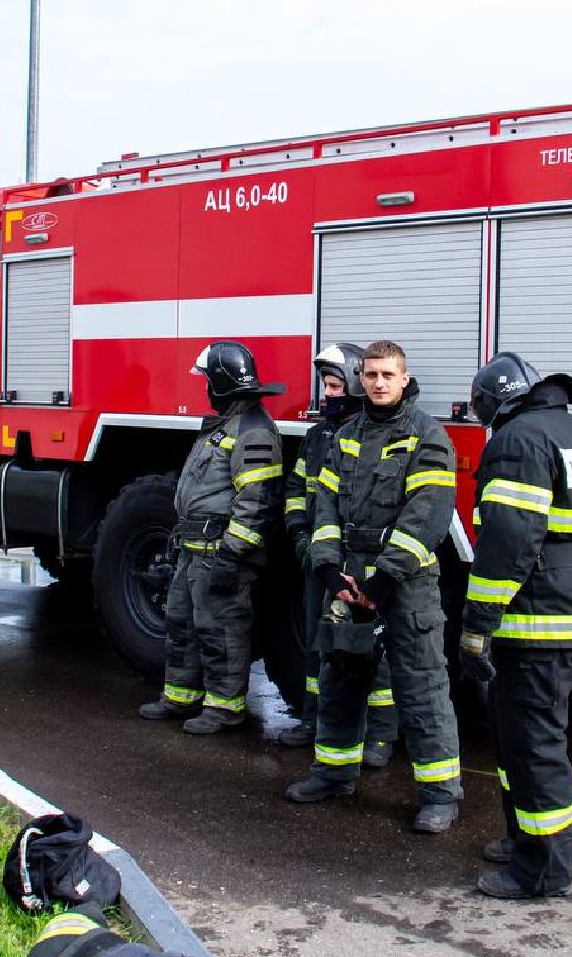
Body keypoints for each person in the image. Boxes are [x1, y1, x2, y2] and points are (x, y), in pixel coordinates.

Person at [458, 351, 572, 899]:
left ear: (495, 402)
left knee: (534, 743)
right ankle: (524, 841)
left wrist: (476, 624)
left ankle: (541, 870)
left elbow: (508, 542)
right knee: (521, 737)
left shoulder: (516, 442)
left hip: (532, 622)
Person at [285, 340, 462, 833]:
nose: (379, 383)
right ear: (361, 378)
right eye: (371, 375)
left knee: (422, 685)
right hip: (347, 576)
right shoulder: (345, 435)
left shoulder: (427, 436)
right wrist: (326, 569)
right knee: (339, 675)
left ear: (404, 380)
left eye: (388, 375)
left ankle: (440, 795)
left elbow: (427, 514)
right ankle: (333, 774)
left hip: (406, 581)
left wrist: (384, 579)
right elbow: (324, 505)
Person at [139, 341, 283, 736]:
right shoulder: (226, 426)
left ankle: (225, 708)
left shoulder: (253, 432)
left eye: (207, 381)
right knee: (181, 622)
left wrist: (231, 557)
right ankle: (180, 697)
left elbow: (256, 503)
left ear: (220, 383)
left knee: (220, 630)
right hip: (192, 551)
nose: (204, 388)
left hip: (219, 553)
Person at [280, 342, 398, 767]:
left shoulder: (372, 435)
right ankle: (316, 721)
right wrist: (300, 537)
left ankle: (380, 737)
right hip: (320, 557)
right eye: (325, 385)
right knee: (320, 643)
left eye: (333, 385)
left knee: (371, 648)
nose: (326, 393)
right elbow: (298, 492)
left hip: (362, 561)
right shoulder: (317, 437)